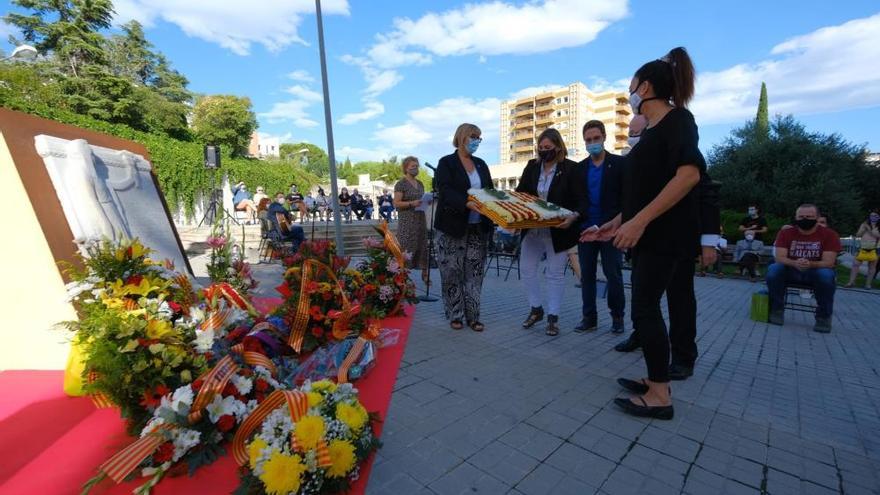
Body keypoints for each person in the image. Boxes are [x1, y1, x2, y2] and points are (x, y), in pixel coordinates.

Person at [582, 47, 709, 419]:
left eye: (633, 84)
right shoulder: (651, 131)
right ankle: (657, 380)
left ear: (647, 86)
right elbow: (645, 191)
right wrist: (618, 222)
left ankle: (660, 396)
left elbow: (689, 176)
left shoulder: (678, 121)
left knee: (644, 309)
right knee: (646, 307)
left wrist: (639, 222)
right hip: (646, 234)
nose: (629, 89)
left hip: (665, 236)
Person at [517, 128, 584, 336]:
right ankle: (536, 308)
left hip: (559, 230)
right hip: (533, 228)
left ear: (558, 147)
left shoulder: (571, 169)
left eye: (549, 147)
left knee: (555, 274)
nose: (544, 151)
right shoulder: (532, 167)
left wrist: (573, 216)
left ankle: (553, 317)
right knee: (527, 268)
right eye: (541, 147)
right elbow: (521, 193)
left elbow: (582, 200)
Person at [434, 123, 494, 332]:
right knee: (451, 272)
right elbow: (444, 189)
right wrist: (465, 203)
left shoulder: (481, 164)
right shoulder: (446, 163)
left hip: (478, 227)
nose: (476, 140)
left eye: (479, 137)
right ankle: (455, 314)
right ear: (461, 137)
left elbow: (490, 192)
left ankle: (474, 316)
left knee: (474, 274)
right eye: (473, 136)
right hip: (452, 227)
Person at [574, 120, 627, 334]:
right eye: (588, 140)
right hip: (586, 231)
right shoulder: (579, 169)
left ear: (604, 137)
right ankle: (589, 318)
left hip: (610, 230)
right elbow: (576, 200)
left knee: (613, 273)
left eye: (596, 138)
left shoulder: (620, 164)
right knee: (586, 275)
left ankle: (617, 317)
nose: (592, 143)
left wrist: (616, 222)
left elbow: (627, 198)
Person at [767, 204, 840, 332]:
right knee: (774, 269)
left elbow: (829, 262)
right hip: (791, 270)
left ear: (817, 218)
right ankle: (776, 309)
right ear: (795, 217)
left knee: (826, 275)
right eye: (801, 216)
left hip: (816, 271)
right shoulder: (786, 233)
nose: (804, 219)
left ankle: (823, 317)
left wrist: (810, 264)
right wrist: (795, 263)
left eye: (809, 216)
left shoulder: (830, 235)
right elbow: (779, 258)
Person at [394, 156, 430, 286]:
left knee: (421, 246)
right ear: (406, 168)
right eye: (412, 166)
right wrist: (411, 203)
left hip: (420, 220)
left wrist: (427, 200)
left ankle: (424, 275)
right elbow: (396, 203)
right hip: (407, 222)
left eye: (417, 166)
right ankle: (400, 280)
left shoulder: (420, 183)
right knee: (405, 248)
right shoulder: (401, 184)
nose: (415, 169)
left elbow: (421, 199)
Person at [846, 210, 879, 289]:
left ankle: (868, 284)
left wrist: (869, 229)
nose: (873, 217)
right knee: (855, 264)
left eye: (875, 216)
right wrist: (863, 229)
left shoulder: (878, 226)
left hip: (874, 248)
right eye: (871, 215)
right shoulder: (864, 224)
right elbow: (858, 234)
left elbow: (878, 236)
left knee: (872, 267)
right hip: (862, 247)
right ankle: (851, 282)